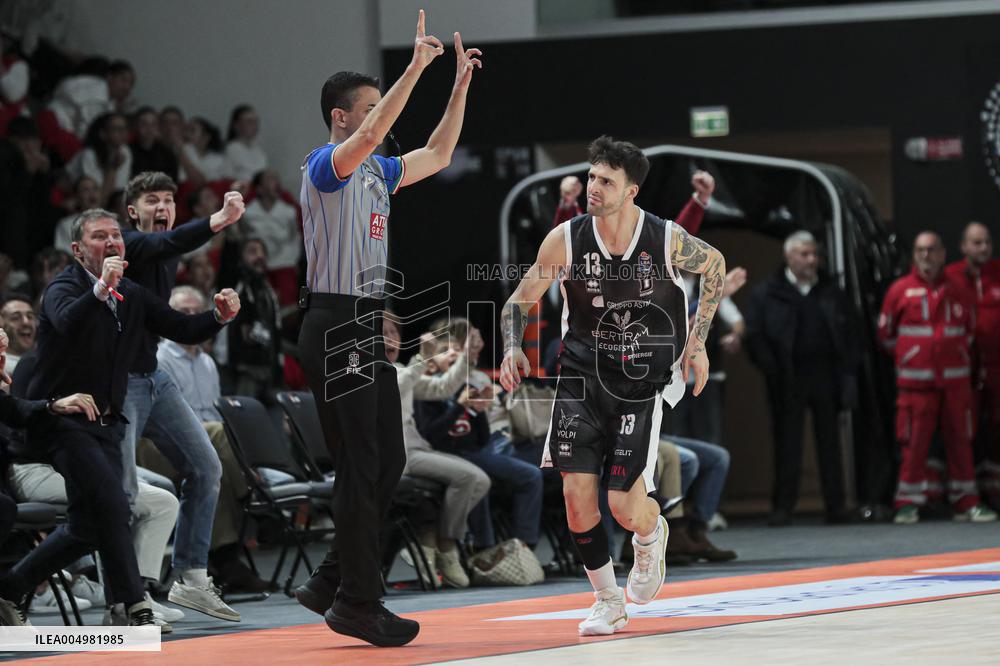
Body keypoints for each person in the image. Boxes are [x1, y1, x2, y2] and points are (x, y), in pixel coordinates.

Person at [293, 10, 481, 647]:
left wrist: (456, 89)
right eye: (370, 108)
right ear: (341, 117)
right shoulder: (326, 164)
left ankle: (331, 577)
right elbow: (376, 131)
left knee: (388, 460)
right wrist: (416, 66)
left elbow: (440, 153)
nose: (381, 118)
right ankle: (358, 601)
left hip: (363, 323)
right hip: (333, 319)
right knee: (361, 463)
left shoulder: (377, 172)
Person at [499, 136, 726, 636]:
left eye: (606, 180)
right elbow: (519, 299)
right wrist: (514, 345)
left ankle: (650, 532)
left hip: (641, 380)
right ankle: (607, 599)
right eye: (591, 177)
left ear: (631, 191)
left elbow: (714, 265)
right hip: (580, 376)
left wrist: (698, 343)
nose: (593, 187)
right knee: (576, 495)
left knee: (624, 507)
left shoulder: (664, 238)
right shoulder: (565, 239)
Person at [0, 210, 239, 629]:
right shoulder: (63, 287)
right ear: (78, 250)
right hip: (61, 419)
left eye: (116, 235)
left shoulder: (130, 292)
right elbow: (67, 320)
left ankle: (9, 588)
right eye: (99, 236)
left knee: (87, 526)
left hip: (107, 424)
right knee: (114, 502)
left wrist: (218, 317)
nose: (111, 241)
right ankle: (133, 605)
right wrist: (100, 288)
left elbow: (180, 327)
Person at [118, 171, 246, 621]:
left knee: (206, 466)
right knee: (122, 492)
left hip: (153, 376)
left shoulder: (166, 254)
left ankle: (191, 577)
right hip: (118, 382)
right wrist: (219, 220)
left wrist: (218, 318)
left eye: (169, 200)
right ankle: (126, 599)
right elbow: (166, 243)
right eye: (152, 200)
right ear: (132, 211)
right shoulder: (127, 245)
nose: (163, 208)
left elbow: (170, 324)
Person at [878, 231, 997, 524]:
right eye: (920, 250)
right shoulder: (899, 290)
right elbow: (886, 336)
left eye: (931, 249)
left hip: (955, 383)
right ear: (914, 254)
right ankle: (907, 502)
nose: (926, 255)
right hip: (916, 385)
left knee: (961, 442)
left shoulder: (958, 290)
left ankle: (966, 501)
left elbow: (969, 331)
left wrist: (950, 354)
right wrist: (915, 356)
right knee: (914, 445)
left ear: (943, 254)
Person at [744, 231, 857, 526]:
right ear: (788, 257)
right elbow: (755, 335)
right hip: (787, 377)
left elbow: (850, 332)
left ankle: (836, 506)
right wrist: (770, 368)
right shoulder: (768, 292)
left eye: (814, 254)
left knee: (830, 442)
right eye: (804, 254)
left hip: (825, 375)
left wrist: (847, 371)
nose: (812, 260)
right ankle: (783, 507)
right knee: (787, 443)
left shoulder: (831, 291)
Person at [385, 319, 489, 589]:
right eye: (382, 333)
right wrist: (422, 359)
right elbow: (395, 387)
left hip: (416, 449)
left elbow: (442, 388)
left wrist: (467, 357)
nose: (390, 338)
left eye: (393, 332)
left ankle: (432, 541)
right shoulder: (367, 372)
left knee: (480, 480)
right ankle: (446, 545)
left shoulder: (399, 369)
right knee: (468, 477)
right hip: (394, 455)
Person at [944, 222, 1000, 501]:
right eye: (977, 243)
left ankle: (994, 487)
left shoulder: (998, 273)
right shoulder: (949, 276)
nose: (984, 248)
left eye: (987, 242)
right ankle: (964, 490)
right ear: (963, 246)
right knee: (964, 428)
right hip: (963, 369)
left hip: (996, 367)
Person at [129, 106, 178, 179]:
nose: (149, 128)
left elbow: (173, 181)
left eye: (153, 124)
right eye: (144, 124)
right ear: (136, 126)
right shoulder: (128, 151)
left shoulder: (167, 154)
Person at [224, 105, 267, 182]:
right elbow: (226, 179)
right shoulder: (230, 150)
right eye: (250, 122)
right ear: (236, 125)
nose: (255, 126)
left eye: (256, 122)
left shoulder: (259, 151)